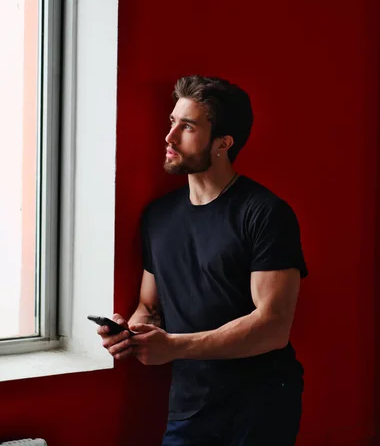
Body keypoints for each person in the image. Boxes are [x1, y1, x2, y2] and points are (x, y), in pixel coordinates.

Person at [98, 75, 308, 445]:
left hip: (260, 404)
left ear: (222, 144)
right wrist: (132, 334)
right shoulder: (158, 217)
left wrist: (174, 347)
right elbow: (150, 305)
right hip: (189, 403)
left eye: (188, 126)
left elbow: (274, 326)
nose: (170, 136)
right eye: (172, 122)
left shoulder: (265, 214)